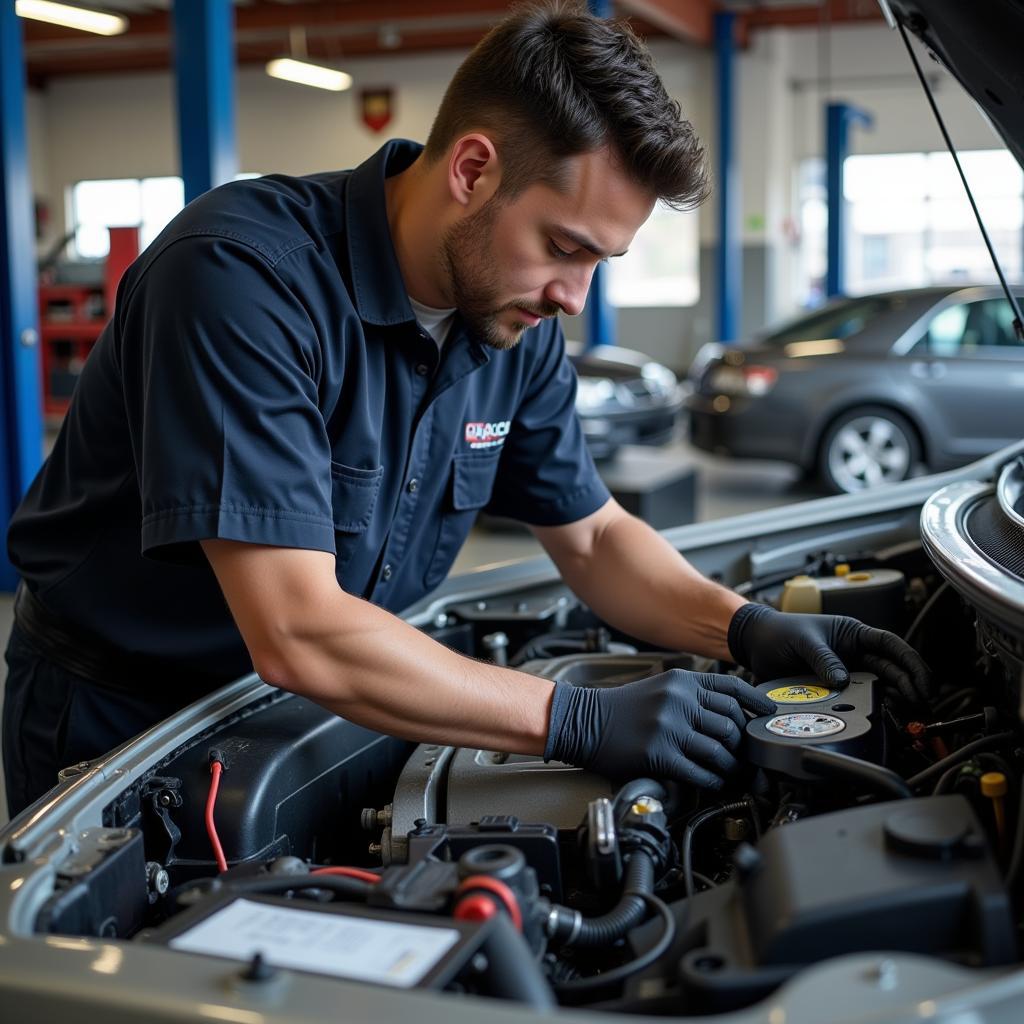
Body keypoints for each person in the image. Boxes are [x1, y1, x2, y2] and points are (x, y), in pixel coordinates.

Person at [2, 2, 930, 818]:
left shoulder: (510, 327)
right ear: (473, 169)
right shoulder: (242, 280)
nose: (575, 295)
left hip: (344, 697)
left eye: (599, 262)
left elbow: (596, 538)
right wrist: (574, 717)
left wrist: (742, 625)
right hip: (128, 723)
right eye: (564, 246)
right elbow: (296, 629)